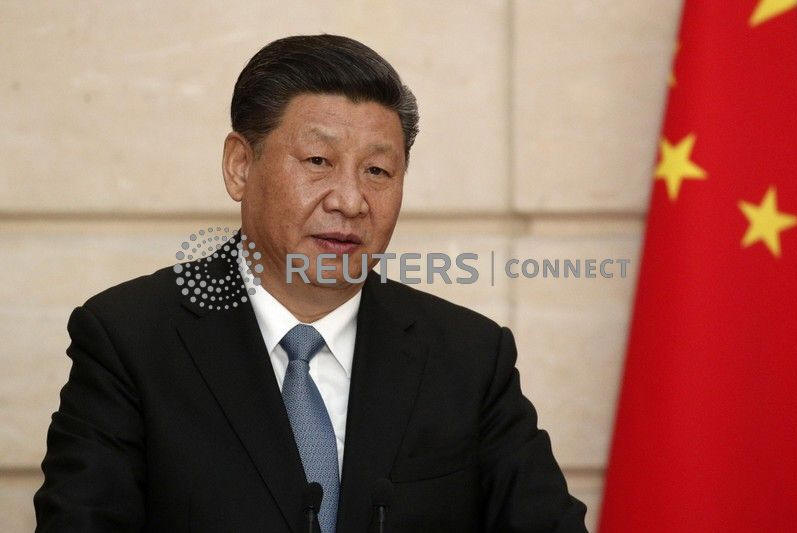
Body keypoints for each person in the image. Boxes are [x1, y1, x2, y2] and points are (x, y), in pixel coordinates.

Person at [33, 34, 587, 532]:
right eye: (318, 160)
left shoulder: (468, 357)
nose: (349, 200)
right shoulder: (130, 341)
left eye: (377, 171)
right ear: (240, 166)